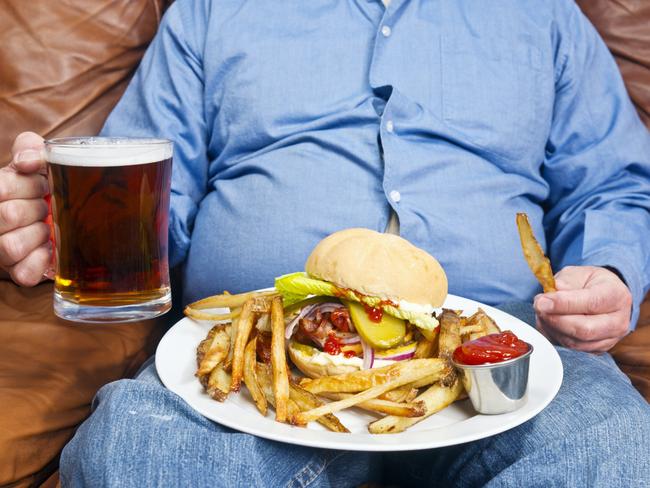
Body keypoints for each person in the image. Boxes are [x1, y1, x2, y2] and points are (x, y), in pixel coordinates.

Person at [2, 0, 650, 485]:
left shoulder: (546, 16)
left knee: (618, 453)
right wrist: (74, 231)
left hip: (501, 357)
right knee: (132, 455)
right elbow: (144, 199)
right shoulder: (210, 11)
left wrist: (611, 269)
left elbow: (614, 184)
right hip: (257, 365)